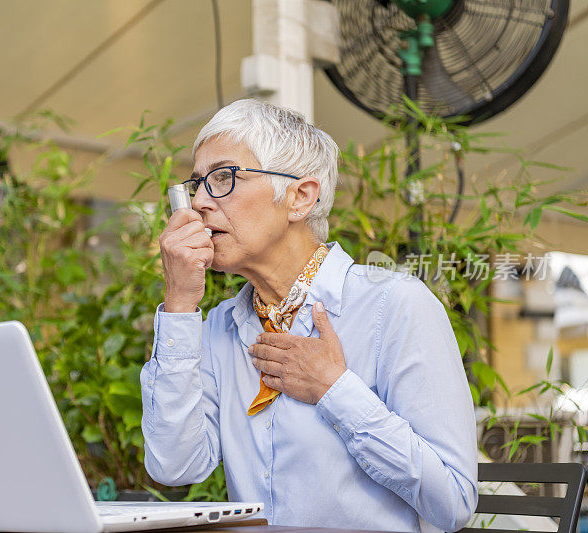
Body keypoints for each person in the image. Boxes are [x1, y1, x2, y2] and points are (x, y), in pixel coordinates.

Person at [140, 99, 478, 532]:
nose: (200, 202)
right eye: (197, 183)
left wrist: (334, 390)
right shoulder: (218, 327)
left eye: (222, 178)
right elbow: (174, 466)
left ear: (300, 197)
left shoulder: (396, 306)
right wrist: (180, 306)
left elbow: (453, 500)